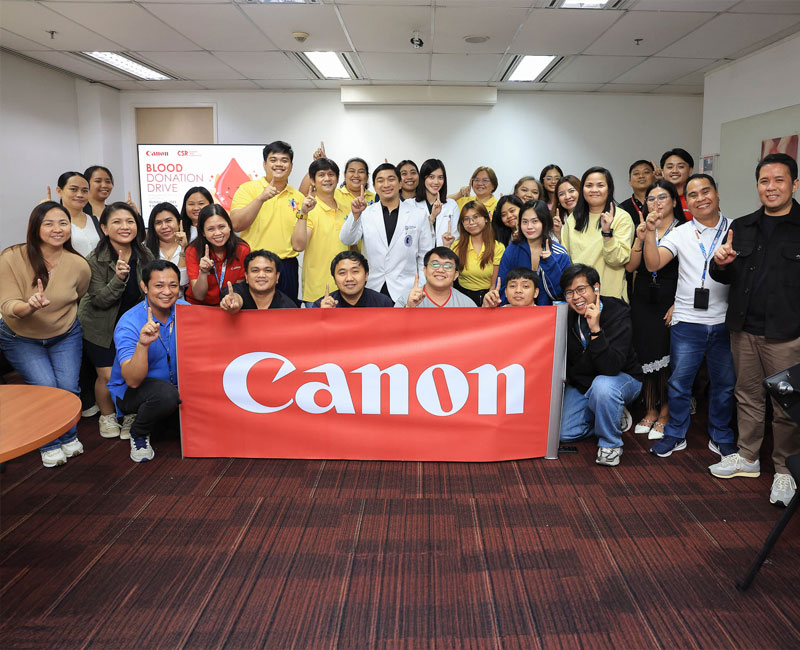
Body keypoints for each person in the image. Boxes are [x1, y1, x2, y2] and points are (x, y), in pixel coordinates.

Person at [708, 153, 800, 506]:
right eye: (764, 181)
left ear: (793, 184)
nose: (771, 187)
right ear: (757, 186)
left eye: (779, 180)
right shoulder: (742, 226)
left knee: (786, 405)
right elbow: (725, 275)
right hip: (744, 328)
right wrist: (720, 264)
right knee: (747, 396)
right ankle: (748, 458)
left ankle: (785, 470)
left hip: (787, 333)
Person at [642, 173, 736, 459]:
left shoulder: (736, 228)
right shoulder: (681, 232)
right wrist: (649, 233)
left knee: (724, 385)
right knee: (679, 383)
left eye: (705, 191)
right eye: (693, 195)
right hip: (687, 322)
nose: (700, 198)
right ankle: (675, 434)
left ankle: (721, 435)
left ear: (717, 195)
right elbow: (653, 263)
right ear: (687, 202)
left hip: (725, 322)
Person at [0, 202, 90, 467]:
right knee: (46, 388)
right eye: (48, 223)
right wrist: (28, 307)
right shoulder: (11, 258)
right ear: (35, 227)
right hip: (21, 337)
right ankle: (49, 443)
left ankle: (68, 436)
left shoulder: (78, 265)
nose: (57, 229)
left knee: (69, 388)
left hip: (65, 334)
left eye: (63, 223)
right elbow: (6, 305)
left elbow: (79, 294)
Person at [77, 202, 154, 440]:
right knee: (109, 376)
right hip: (101, 325)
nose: (125, 227)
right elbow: (99, 300)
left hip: (132, 325)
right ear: (104, 227)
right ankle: (107, 415)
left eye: (130, 221)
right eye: (117, 222)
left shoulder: (145, 254)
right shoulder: (95, 259)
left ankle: (129, 413)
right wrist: (119, 279)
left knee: (132, 374)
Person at [559, 263, 643, 466]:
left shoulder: (617, 312)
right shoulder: (567, 316)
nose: (576, 297)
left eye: (581, 289)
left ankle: (610, 443)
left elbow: (611, 367)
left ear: (595, 288)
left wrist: (595, 330)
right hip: (585, 382)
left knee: (603, 386)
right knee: (565, 433)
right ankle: (609, 414)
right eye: (569, 293)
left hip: (622, 378)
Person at [107, 259, 186, 462]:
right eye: (159, 285)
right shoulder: (129, 322)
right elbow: (132, 380)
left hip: (179, 384)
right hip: (133, 390)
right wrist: (143, 345)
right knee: (166, 395)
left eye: (173, 285)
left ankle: (162, 418)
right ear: (144, 287)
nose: (167, 292)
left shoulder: (187, 311)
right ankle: (139, 431)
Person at [626, 180, 683, 440]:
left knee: (667, 358)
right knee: (646, 355)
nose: (656, 202)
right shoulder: (645, 228)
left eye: (662, 197)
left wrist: (678, 303)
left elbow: (690, 273)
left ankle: (666, 413)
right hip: (643, 299)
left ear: (673, 201)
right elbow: (631, 267)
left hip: (670, 299)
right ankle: (649, 410)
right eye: (651, 198)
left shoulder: (682, 230)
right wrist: (640, 238)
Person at [339, 163, 433, 301]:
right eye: (380, 180)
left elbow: (425, 255)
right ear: (375, 186)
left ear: (400, 183)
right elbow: (347, 239)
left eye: (391, 179)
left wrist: (420, 286)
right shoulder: (366, 213)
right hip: (372, 287)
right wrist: (355, 215)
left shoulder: (418, 214)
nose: (386, 184)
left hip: (406, 289)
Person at [230, 141, 305, 303]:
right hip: (255, 265)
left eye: (284, 160)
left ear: (291, 166)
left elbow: (299, 243)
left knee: (286, 318)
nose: (279, 164)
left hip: (287, 266)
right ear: (265, 164)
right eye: (274, 159)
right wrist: (261, 199)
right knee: (252, 316)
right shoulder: (248, 189)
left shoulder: (298, 197)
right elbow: (236, 224)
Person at [561, 167, 633, 301]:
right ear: (582, 189)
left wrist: (607, 233)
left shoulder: (621, 217)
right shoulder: (573, 219)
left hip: (611, 297)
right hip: (579, 299)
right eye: (589, 185)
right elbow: (566, 260)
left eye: (600, 185)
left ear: (609, 189)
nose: (594, 190)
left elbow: (618, 260)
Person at [291, 158, 350, 304]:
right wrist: (304, 212)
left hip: (348, 287)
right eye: (321, 175)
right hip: (318, 291)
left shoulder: (347, 208)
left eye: (331, 174)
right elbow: (298, 246)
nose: (327, 179)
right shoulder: (309, 209)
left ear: (337, 178)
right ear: (312, 180)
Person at [497, 200, 570, 305]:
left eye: (535, 221)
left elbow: (561, 294)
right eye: (525, 221)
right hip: (518, 314)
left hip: (549, 315)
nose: (529, 227)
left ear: (545, 222)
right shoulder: (513, 249)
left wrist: (550, 263)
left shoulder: (559, 253)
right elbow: (502, 286)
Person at [185, 204, 249, 306]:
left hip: (229, 305)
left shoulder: (242, 249)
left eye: (222, 226)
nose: (218, 233)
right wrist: (203, 272)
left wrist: (229, 303)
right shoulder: (192, 251)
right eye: (211, 229)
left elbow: (238, 289)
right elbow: (199, 296)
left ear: (229, 226)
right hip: (199, 307)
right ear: (203, 232)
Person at [451, 202, 504, 306]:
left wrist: (489, 300)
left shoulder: (498, 247)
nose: (471, 222)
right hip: (462, 297)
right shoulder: (456, 246)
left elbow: (494, 283)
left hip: (488, 296)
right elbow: (450, 277)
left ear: (486, 219)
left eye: (476, 217)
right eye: (466, 219)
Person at [395, 247, 476, 308]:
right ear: (425, 270)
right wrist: (409, 307)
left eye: (447, 266)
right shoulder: (406, 299)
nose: (440, 270)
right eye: (435, 264)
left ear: (456, 275)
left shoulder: (466, 304)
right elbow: (393, 328)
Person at [219, 249, 297, 312]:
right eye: (255, 270)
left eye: (268, 270)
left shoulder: (288, 308)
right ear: (246, 276)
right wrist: (234, 302)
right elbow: (235, 296)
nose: (261, 275)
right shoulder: (236, 290)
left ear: (277, 277)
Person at [311, 251, 393, 308]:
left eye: (355, 271)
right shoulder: (321, 305)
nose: (349, 278)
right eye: (342, 273)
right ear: (334, 279)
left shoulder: (383, 303)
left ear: (366, 275)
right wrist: (322, 315)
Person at [54, 171, 102, 257]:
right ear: (59, 191)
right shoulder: (52, 224)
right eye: (73, 189)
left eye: (84, 191)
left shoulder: (98, 221)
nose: (80, 195)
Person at [413, 158, 459, 247]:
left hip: (444, 256)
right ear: (423, 178)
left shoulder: (451, 205)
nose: (436, 182)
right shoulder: (411, 205)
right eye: (431, 177)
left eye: (440, 177)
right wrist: (432, 217)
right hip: (418, 258)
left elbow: (456, 237)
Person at [145, 202, 188, 293]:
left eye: (168, 221)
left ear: (179, 222)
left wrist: (183, 249)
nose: (164, 226)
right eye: (158, 223)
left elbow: (182, 282)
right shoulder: (145, 249)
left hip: (181, 303)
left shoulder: (189, 247)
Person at [619, 160, 655, 233]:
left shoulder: (662, 203)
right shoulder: (621, 208)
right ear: (630, 181)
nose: (641, 176)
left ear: (654, 178)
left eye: (646, 172)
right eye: (636, 173)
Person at [659, 148, 694, 221]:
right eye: (670, 167)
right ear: (662, 172)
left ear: (690, 171)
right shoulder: (656, 199)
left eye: (681, 166)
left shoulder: (698, 197)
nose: (675, 171)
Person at [554, 175, 581, 242]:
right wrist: (559, 234)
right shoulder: (558, 221)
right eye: (561, 194)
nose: (567, 197)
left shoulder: (591, 215)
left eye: (571, 191)